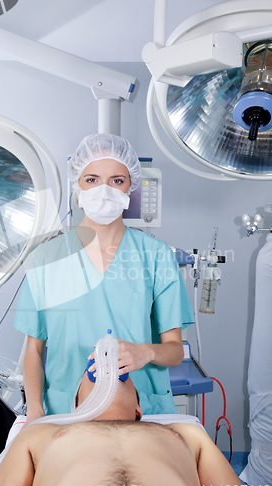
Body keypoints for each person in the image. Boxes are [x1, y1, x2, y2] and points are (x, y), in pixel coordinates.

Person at [13, 134, 195, 423]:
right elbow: (34, 350)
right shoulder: (48, 257)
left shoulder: (157, 255)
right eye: (92, 179)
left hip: (141, 409)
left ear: (130, 188)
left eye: (117, 181)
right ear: (78, 186)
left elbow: (174, 351)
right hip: (66, 408)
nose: (104, 191)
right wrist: (35, 412)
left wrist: (144, 352)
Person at [0, 371, 249, 486]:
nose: (104, 367)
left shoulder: (186, 433)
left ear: (138, 408)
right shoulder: (40, 433)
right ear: (76, 409)